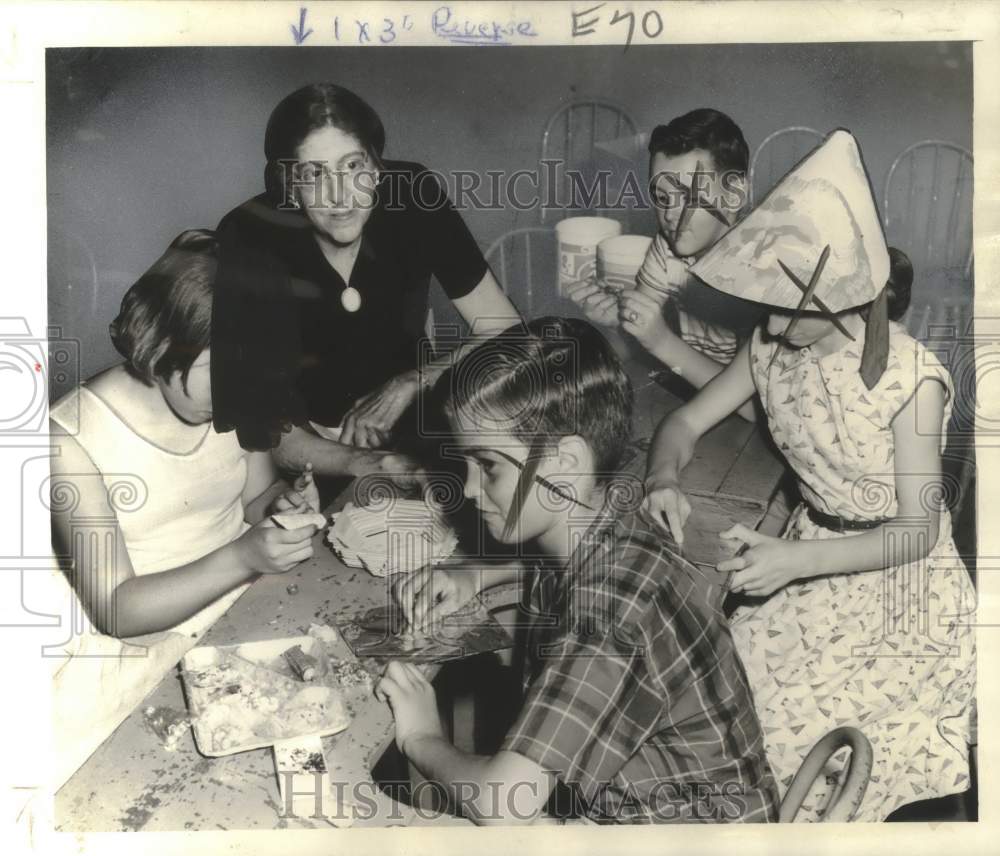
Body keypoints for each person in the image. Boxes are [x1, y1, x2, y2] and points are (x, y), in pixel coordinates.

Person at [643, 130, 977, 821]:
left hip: (899, 598)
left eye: (783, 301)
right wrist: (662, 481)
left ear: (842, 293)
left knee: (802, 756)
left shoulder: (910, 381)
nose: (765, 318)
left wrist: (795, 561)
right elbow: (680, 426)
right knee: (709, 712)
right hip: (802, 561)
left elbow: (917, 532)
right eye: (761, 295)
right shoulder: (771, 345)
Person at [376, 317, 779, 825]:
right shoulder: (607, 511)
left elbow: (505, 804)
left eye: (489, 466)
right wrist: (478, 574)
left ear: (565, 461)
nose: (470, 489)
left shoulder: (604, 619)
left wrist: (422, 736)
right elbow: (580, 579)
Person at [48, 230, 323, 786]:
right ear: (163, 343)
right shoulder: (67, 440)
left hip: (234, 614)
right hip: (136, 652)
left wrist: (285, 507)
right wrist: (247, 556)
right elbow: (118, 611)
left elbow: (255, 500)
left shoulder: (231, 395)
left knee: (309, 756)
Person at [213, 83, 521, 479]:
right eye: (314, 174)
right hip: (312, 456)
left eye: (353, 167)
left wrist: (416, 380)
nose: (340, 196)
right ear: (289, 185)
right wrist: (371, 464)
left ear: (377, 167)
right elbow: (269, 429)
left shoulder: (413, 196)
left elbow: (507, 330)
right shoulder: (249, 236)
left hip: (419, 425)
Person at [566, 109, 761, 420]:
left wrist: (661, 341)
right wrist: (611, 324)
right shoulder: (668, 247)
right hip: (691, 398)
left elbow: (755, 409)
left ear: (735, 194)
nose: (670, 215)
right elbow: (635, 344)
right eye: (661, 197)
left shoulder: (764, 267)